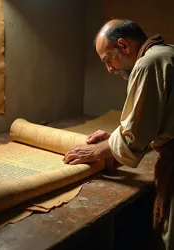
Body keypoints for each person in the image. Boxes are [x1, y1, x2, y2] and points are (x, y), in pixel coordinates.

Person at [62, 19, 174, 250]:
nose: (110, 69)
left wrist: (95, 150)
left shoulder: (148, 64)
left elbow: (136, 137)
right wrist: (114, 136)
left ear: (123, 45)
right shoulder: (166, 53)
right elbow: (154, 120)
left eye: (108, 60)